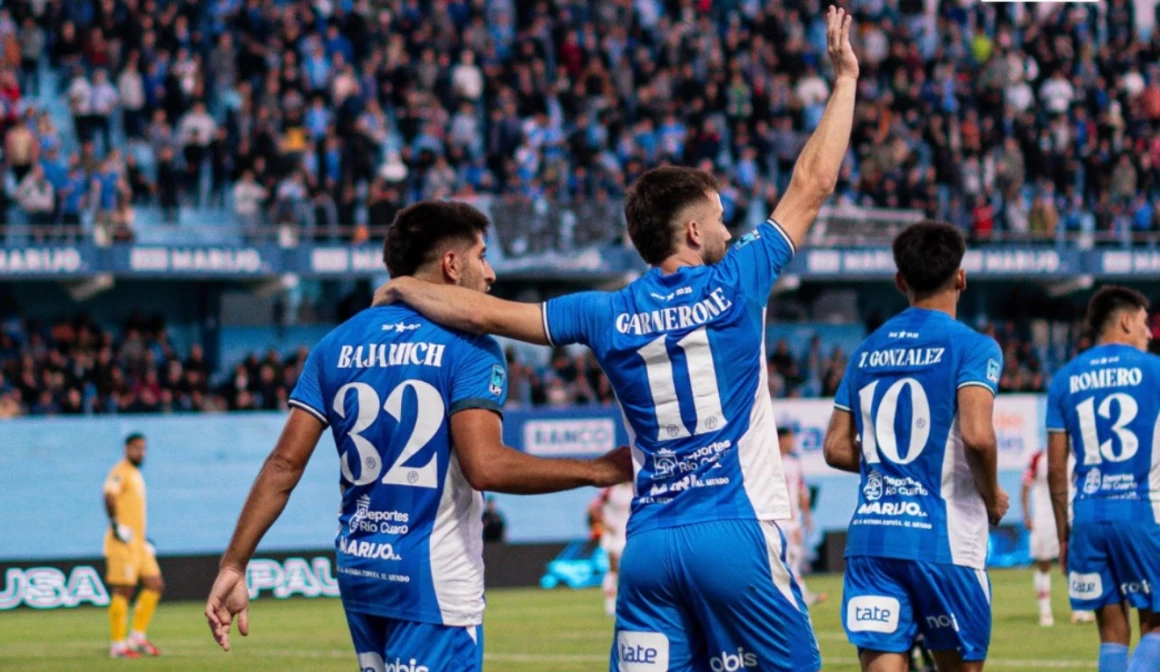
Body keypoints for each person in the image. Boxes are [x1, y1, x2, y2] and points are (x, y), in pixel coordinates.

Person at [374, 9, 858, 669]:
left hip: (651, 544)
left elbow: (489, 315)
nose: (726, 228)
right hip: (737, 530)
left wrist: (403, 285)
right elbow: (814, 183)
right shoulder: (740, 277)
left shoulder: (603, 312)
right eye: (718, 218)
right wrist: (845, 79)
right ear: (692, 234)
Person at [203, 201, 632, 668]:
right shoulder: (470, 347)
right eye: (482, 256)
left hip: (361, 567)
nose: (490, 274)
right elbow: (485, 466)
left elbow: (283, 465)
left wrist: (233, 564)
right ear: (451, 265)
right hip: (432, 580)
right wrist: (599, 469)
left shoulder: (335, 344)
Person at [823, 221, 1010, 672]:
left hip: (873, 540)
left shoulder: (866, 350)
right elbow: (978, 436)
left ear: (900, 281)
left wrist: (891, 470)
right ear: (961, 278)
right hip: (943, 543)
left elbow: (834, 447)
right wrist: (992, 495)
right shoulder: (973, 346)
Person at [1045, 286, 1160, 672]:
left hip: (1089, 518)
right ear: (1126, 321)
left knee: (1112, 633)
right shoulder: (1155, 371)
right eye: (1146, 324)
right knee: (1156, 627)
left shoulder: (1064, 379)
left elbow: (1056, 468)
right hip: (1144, 513)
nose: (1150, 333)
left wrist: (1064, 533)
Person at [103, 433, 164, 659]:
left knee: (155, 584)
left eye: (144, 448)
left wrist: (144, 538)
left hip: (138, 543)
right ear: (127, 448)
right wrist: (116, 525)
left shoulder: (136, 474)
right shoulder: (121, 471)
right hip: (123, 543)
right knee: (123, 590)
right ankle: (118, 645)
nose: (142, 452)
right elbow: (109, 496)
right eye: (137, 448)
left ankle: (137, 637)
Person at [1020, 448, 1096, 627]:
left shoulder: (1076, 458)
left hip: (1070, 517)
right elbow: (1025, 487)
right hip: (1044, 519)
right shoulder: (1039, 458)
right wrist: (1026, 515)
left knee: (1074, 562)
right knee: (1044, 564)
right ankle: (1045, 613)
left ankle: (1079, 610)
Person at [778, 426, 828, 607]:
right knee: (783, 557)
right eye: (789, 439)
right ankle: (794, 594)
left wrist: (806, 516)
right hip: (776, 518)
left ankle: (800, 593)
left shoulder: (794, 463)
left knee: (794, 557)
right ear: (781, 439)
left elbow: (801, 491)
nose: (792, 442)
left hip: (792, 519)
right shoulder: (770, 461)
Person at [589, 482, 634, 617]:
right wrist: (604, 524)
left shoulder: (635, 487)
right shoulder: (610, 490)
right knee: (614, 569)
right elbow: (593, 508)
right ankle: (610, 605)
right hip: (614, 537)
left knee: (631, 570)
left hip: (630, 534)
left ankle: (630, 604)